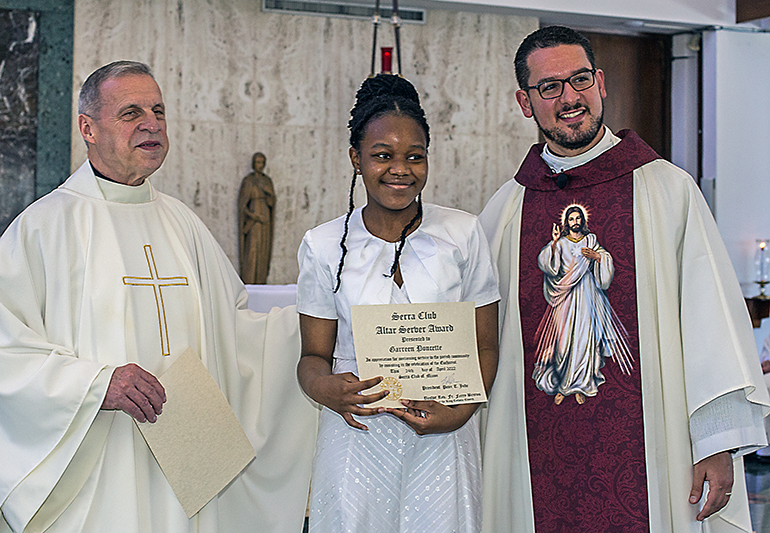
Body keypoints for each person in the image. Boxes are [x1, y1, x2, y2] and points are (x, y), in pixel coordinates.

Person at [0, 61, 316, 533]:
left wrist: (321, 320)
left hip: (187, 458)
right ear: (87, 127)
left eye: (159, 111)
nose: (152, 124)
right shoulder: (46, 227)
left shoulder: (181, 223)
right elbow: (8, 346)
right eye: (131, 112)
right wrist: (92, 383)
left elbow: (235, 334)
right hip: (98, 461)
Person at [479, 26, 769, 533]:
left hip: (653, 455)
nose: (570, 98)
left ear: (602, 82)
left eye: (580, 79)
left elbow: (711, 327)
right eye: (550, 87)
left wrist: (717, 445)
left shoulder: (667, 191)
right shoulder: (507, 209)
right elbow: (479, 340)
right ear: (525, 102)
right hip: (536, 453)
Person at [296, 73, 500, 532]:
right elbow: (312, 357)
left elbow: (486, 344)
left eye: (415, 157)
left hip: (444, 432)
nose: (400, 169)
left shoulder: (463, 234)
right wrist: (324, 389)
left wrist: (461, 411)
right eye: (382, 156)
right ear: (356, 158)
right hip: (357, 433)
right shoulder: (323, 244)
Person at [534, 204, 631, 406]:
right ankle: (562, 383)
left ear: (582, 221)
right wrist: (552, 243)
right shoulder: (560, 244)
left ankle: (581, 386)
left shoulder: (591, 240)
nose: (575, 222)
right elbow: (549, 268)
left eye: (578, 218)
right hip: (566, 296)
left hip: (587, 295)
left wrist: (597, 257)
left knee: (585, 339)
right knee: (563, 343)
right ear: (566, 222)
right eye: (572, 219)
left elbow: (605, 259)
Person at [238, 152, 276, 284]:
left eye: (261, 162)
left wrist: (269, 194)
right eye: (257, 162)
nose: (259, 165)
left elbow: (272, 203)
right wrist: (253, 215)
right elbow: (242, 205)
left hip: (265, 220)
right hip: (253, 221)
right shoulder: (248, 181)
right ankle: (249, 280)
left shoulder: (267, 181)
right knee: (252, 250)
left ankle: (261, 279)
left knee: (263, 251)